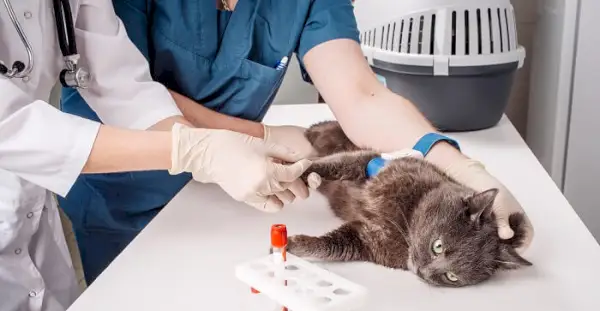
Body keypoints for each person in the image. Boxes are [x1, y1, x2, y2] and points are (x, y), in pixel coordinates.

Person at [59, 0, 535, 285]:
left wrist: (460, 166)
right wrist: (255, 136)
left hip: (232, 193)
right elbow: (123, 89)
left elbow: (361, 95)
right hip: (122, 189)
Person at [0, 0, 310, 311]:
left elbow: (120, 82)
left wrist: (207, 148)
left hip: (28, 219)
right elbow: (11, 129)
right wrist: (192, 150)